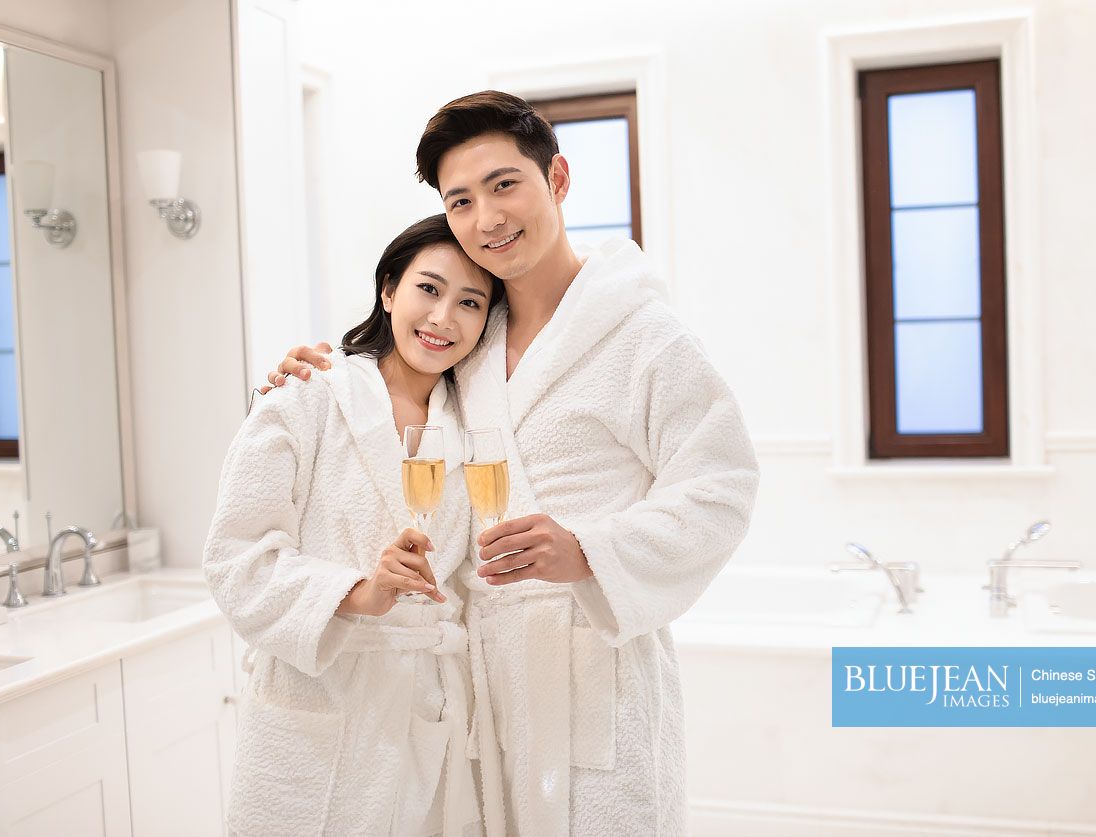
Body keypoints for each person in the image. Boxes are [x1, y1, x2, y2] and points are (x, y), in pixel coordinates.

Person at [266, 91, 760, 836]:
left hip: (599, 678)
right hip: (485, 688)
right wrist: (308, 368)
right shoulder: (470, 333)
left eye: (504, 185)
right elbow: (391, 383)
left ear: (556, 179)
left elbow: (722, 485)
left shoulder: (643, 337)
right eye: (460, 200)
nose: (486, 218)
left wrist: (588, 551)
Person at [204, 214, 504, 836]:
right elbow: (236, 557)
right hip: (321, 704)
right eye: (429, 288)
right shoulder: (307, 394)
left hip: (432, 706)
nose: (444, 317)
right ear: (389, 290)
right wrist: (356, 594)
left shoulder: (478, 425)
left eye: (470, 302)